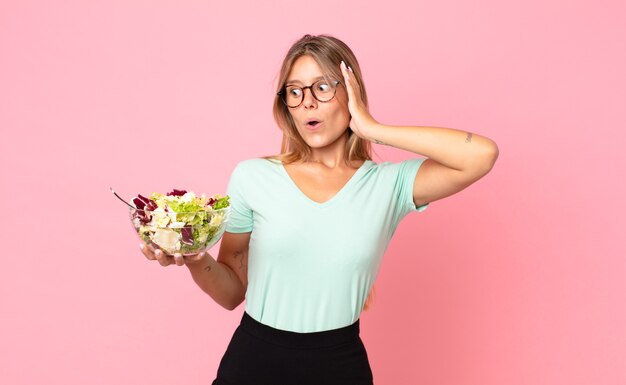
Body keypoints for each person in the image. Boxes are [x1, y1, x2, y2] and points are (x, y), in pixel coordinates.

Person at [139, 34, 499, 385]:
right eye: (295, 92)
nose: (307, 102)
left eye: (322, 87)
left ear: (351, 93)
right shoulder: (253, 176)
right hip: (253, 363)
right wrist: (193, 256)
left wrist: (373, 128)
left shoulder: (389, 185)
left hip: (339, 366)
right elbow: (232, 293)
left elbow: (480, 156)